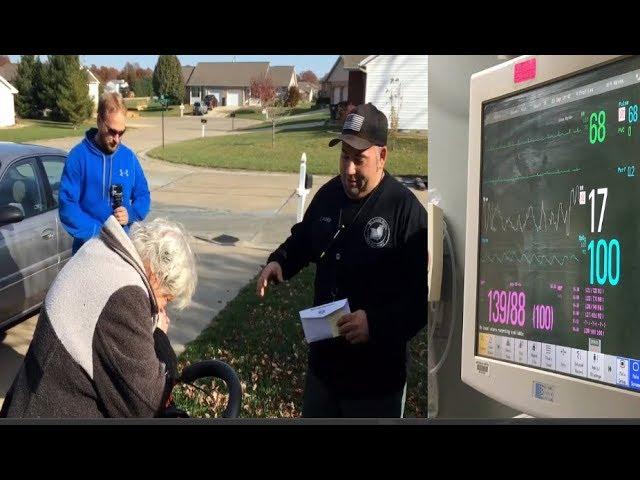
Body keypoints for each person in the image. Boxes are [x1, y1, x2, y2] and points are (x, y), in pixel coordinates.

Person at [256, 103, 428, 417]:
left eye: (358, 159)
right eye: (344, 156)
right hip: (324, 370)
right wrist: (280, 260)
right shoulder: (329, 195)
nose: (348, 169)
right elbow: (304, 239)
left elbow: (420, 303)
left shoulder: (406, 213)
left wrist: (375, 324)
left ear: (382, 156)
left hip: (375, 383)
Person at [0, 216, 197, 417]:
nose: (162, 308)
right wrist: (160, 338)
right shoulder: (125, 295)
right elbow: (147, 405)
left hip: (28, 402)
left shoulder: (99, 251)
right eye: (167, 299)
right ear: (157, 277)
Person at [59, 91, 151, 254]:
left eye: (121, 133)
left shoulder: (128, 158)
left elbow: (143, 196)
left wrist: (130, 214)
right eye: (112, 131)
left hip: (122, 251)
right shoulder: (78, 157)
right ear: (99, 120)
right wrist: (98, 233)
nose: (117, 139)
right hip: (87, 251)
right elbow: (67, 207)